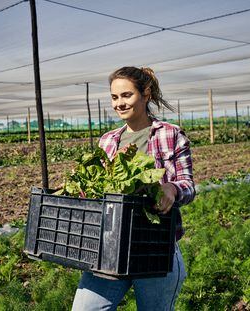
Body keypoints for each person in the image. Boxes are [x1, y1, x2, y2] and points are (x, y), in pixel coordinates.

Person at [72, 66, 195, 311]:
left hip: (155, 248)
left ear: (146, 94)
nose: (119, 103)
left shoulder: (170, 135)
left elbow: (188, 185)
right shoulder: (108, 140)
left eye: (126, 95)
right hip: (109, 248)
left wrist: (171, 189)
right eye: (114, 97)